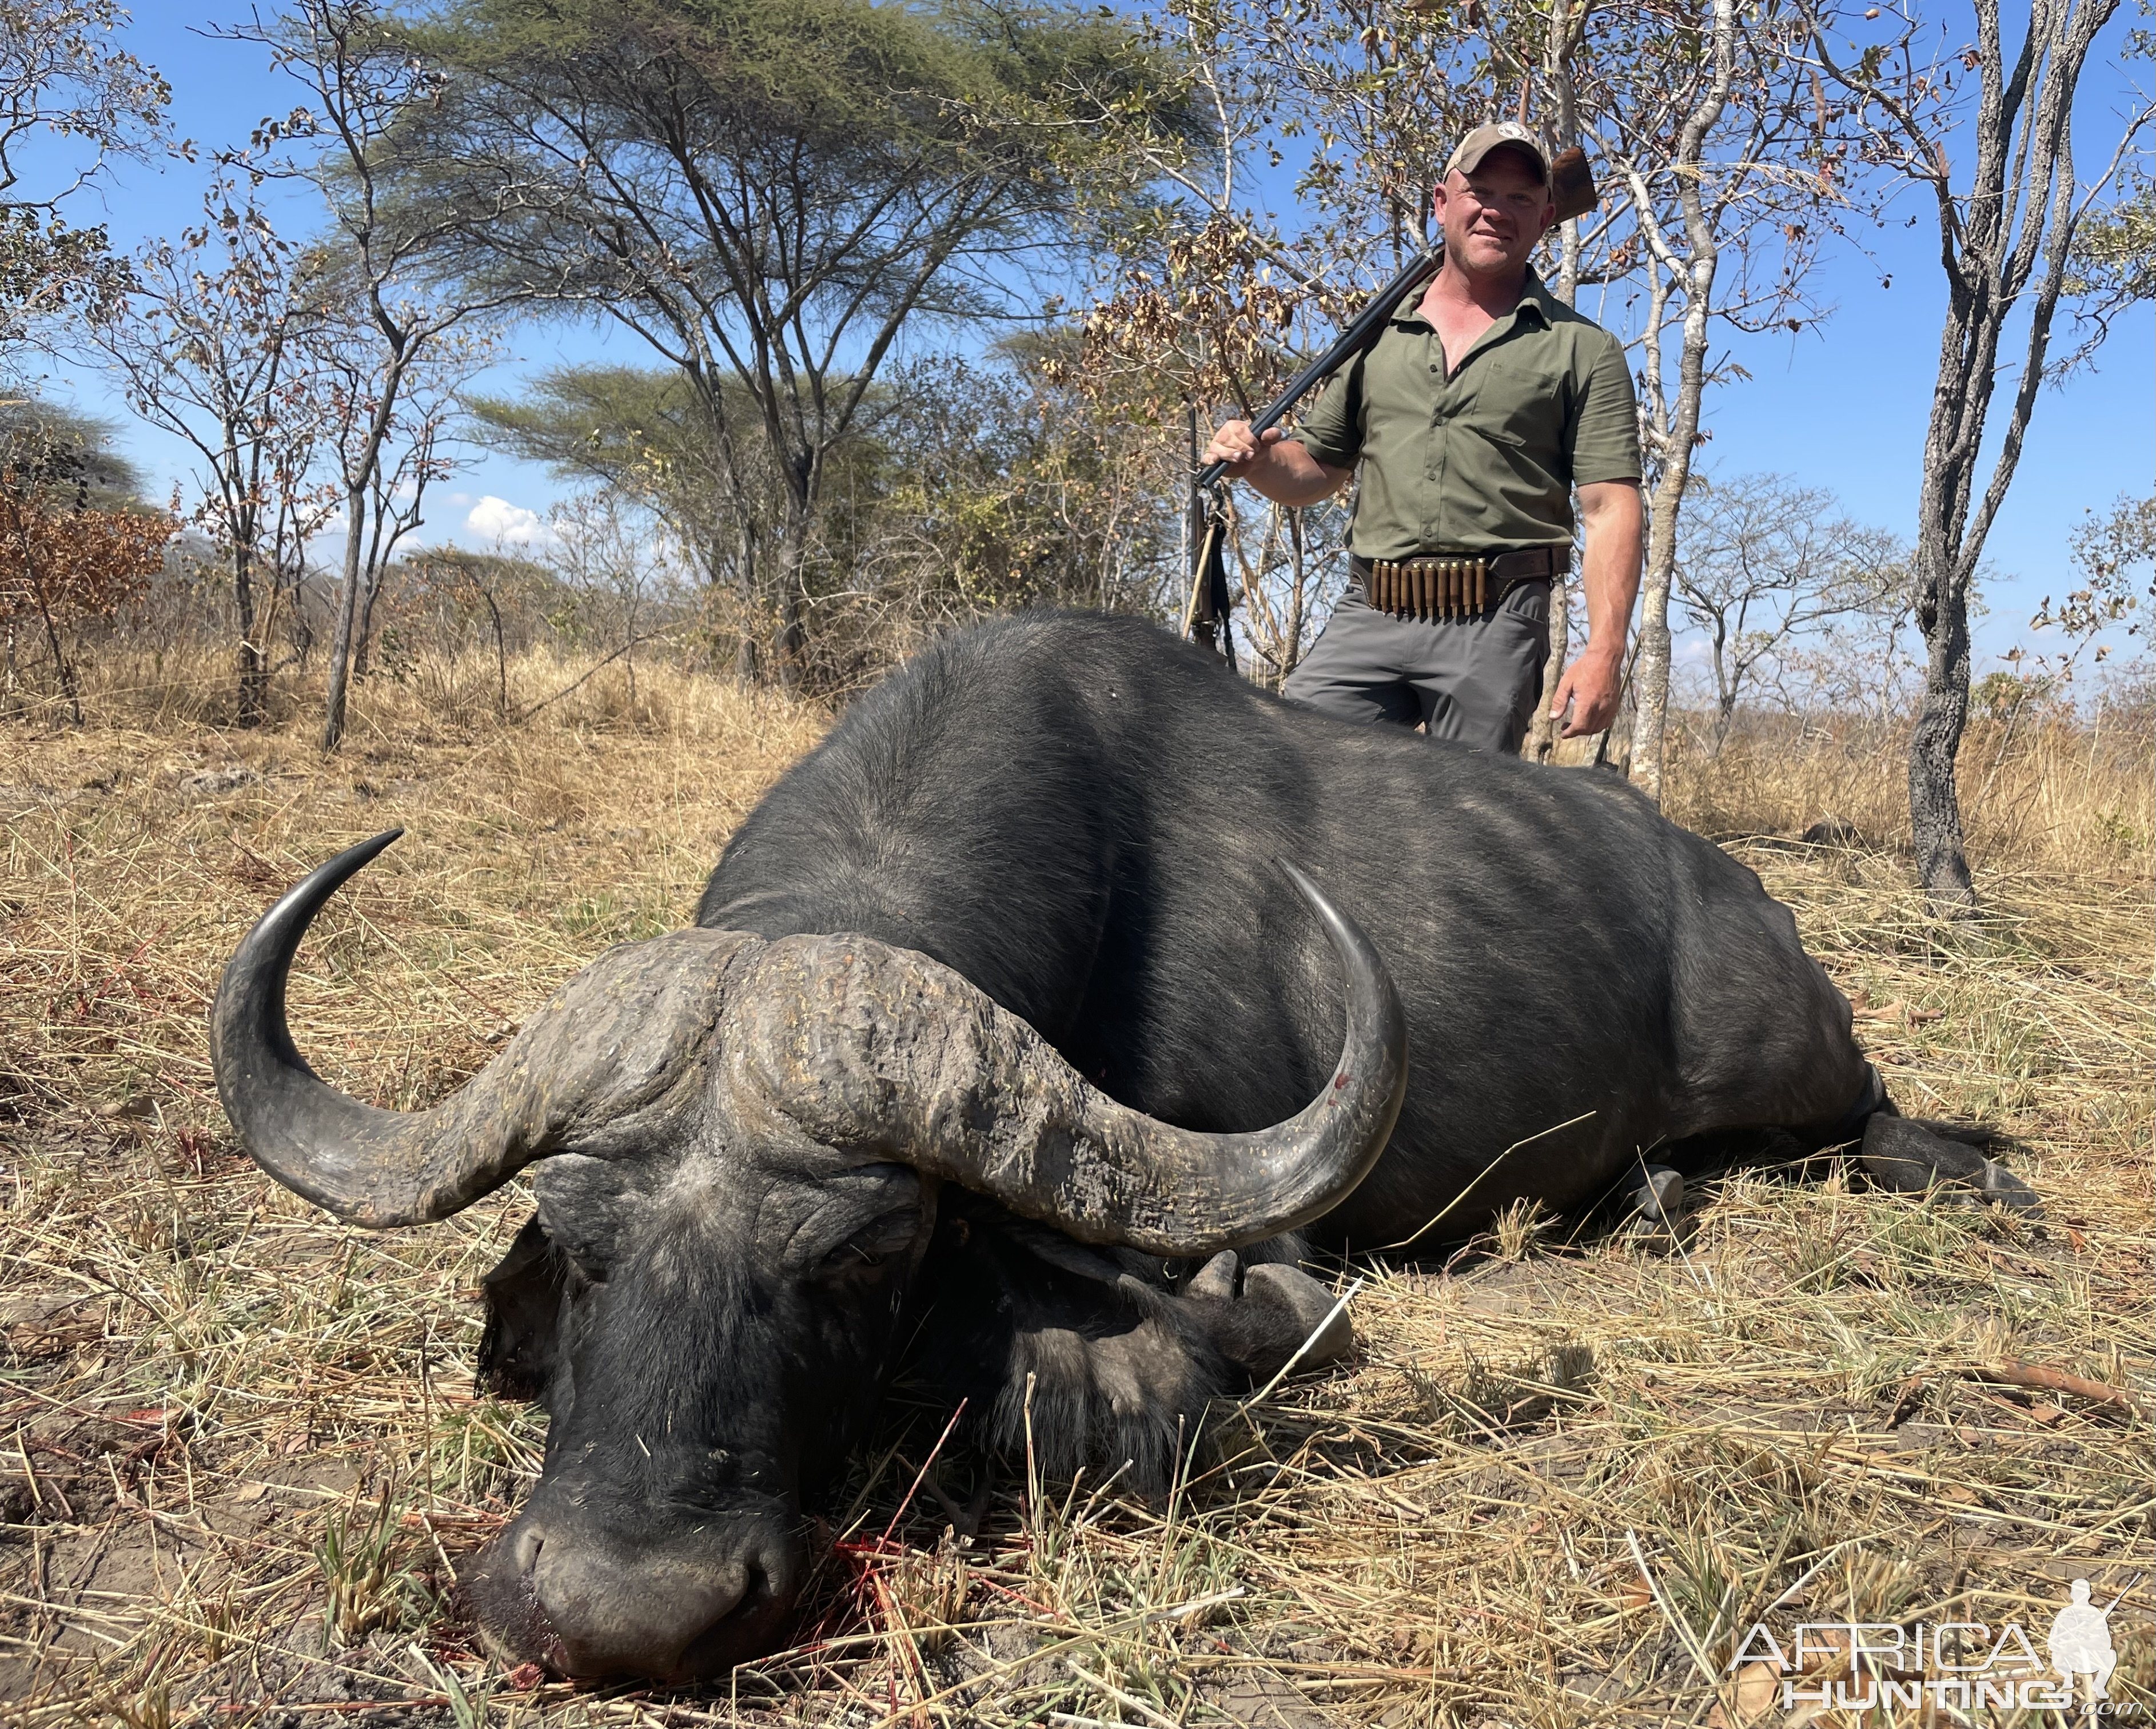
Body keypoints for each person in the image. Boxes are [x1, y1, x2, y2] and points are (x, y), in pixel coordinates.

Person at [1205, 121, 1644, 755]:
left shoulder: (1584, 349)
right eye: (1481, 191)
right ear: (1442, 202)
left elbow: (1609, 508)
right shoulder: (1376, 333)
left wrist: (1606, 650)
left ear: (1547, 216)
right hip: (1368, 613)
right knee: (1286, 775)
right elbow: (1316, 471)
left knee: (1466, 832)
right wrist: (1257, 460)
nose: (1498, 211)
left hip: (1495, 624)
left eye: (1521, 199)